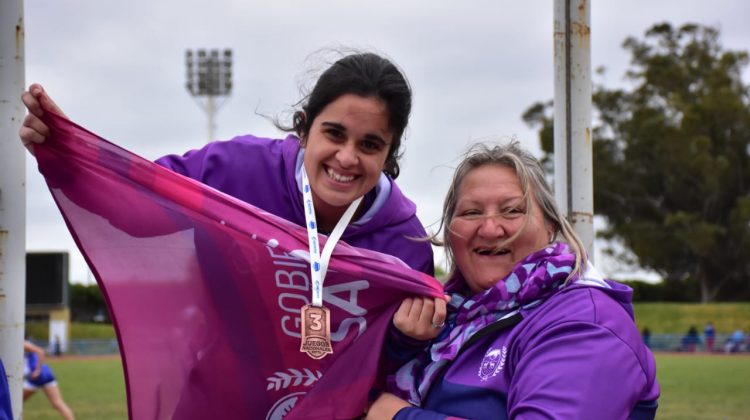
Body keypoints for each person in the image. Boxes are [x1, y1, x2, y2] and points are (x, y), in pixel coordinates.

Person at [19, 51, 434, 276]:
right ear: (304, 129)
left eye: (370, 144)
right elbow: (138, 202)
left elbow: (401, 365)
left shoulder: (405, 244)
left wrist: (408, 332)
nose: (347, 157)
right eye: (334, 134)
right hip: (220, 395)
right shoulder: (236, 170)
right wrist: (70, 155)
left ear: (389, 154)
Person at [368, 142, 660, 419]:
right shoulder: (448, 320)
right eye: (471, 212)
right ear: (450, 231)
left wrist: (401, 417)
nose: (491, 228)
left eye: (512, 210)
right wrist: (401, 346)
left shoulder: (585, 323)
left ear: (550, 225)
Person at [23, 341, 75, 420]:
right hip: (46, 374)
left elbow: (40, 351)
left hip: (37, 376)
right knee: (57, 403)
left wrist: (38, 370)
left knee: (15, 403)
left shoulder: (22, 343)